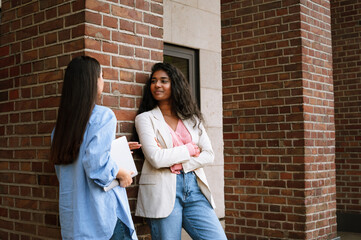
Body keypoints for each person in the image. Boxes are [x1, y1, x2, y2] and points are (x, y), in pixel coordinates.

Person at [50, 56, 140, 240]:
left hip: (74, 221)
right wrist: (121, 173)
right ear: (92, 81)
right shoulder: (103, 116)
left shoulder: (59, 129)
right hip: (103, 218)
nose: (103, 81)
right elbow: (96, 164)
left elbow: (72, 165)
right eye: (101, 76)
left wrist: (114, 151)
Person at [134, 62, 227, 240]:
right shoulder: (145, 119)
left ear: (175, 85)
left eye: (163, 81)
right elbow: (156, 158)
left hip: (194, 188)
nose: (157, 85)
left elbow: (209, 155)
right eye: (153, 81)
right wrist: (189, 149)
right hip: (162, 190)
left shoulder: (192, 119)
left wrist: (180, 164)